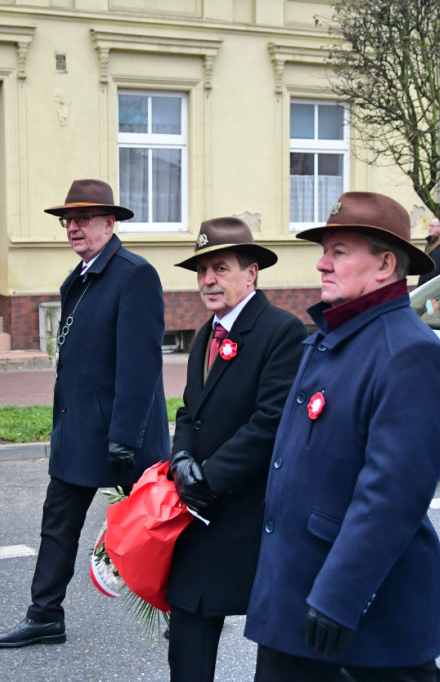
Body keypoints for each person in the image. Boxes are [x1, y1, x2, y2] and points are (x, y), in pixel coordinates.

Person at [245, 192, 440, 681]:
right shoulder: (333, 335)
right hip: (298, 587)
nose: (321, 263)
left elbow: (391, 496)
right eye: (325, 251)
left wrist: (340, 595)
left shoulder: (407, 352)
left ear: (386, 264)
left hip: (356, 602)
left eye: (339, 251)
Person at [0, 179, 170, 648]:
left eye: (84, 219)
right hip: (79, 431)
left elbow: (141, 365)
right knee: (57, 525)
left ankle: (188, 614)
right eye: (69, 220)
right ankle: (45, 615)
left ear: (110, 224)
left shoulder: (135, 275)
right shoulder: (79, 278)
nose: (74, 228)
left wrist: (126, 437)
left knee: (157, 529)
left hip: (122, 436)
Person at [165, 217, 306, 682]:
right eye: (202, 270)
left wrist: (210, 478)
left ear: (252, 273)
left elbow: (270, 422)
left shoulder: (280, 331)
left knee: (279, 650)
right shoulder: (205, 332)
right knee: (188, 633)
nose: (208, 279)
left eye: (220, 268)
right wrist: (181, 460)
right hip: (201, 510)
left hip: (249, 514)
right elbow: (190, 411)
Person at [418, 218, 440, 283]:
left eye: (432, 226)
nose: (429, 228)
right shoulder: (429, 242)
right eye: (429, 226)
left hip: (438, 284)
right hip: (425, 283)